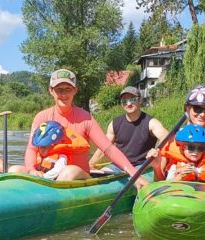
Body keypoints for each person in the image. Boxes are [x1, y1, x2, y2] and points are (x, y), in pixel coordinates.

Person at [9, 69, 148, 188]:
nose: (64, 94)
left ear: (75, 90)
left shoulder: (86, 118)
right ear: (51, 90)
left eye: (68, 89)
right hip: (46, 173)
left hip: (77, 177)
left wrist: (134, 173)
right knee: (13, 170)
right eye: (59, 89)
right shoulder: (41, 117)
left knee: (68, 172)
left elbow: (109, 149)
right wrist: (32, 170)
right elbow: (32, 149)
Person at [89, 86, 168, 174]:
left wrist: (158, 156)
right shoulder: (114, 123)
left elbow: (167, 139)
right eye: (124, 101)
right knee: (97, 174)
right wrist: (91, 164)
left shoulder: (151, 123)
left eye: (133, 99)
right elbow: (104, 147)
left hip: (141, 166)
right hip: (118, 165)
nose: (129, 103)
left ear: (140, 100)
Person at [147, 85, 205, 180]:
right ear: (187, 108)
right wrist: (156, 167)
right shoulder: (170, 142)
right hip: (176, 191)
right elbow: (158, 182)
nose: (202, 114)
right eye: (197, 108)